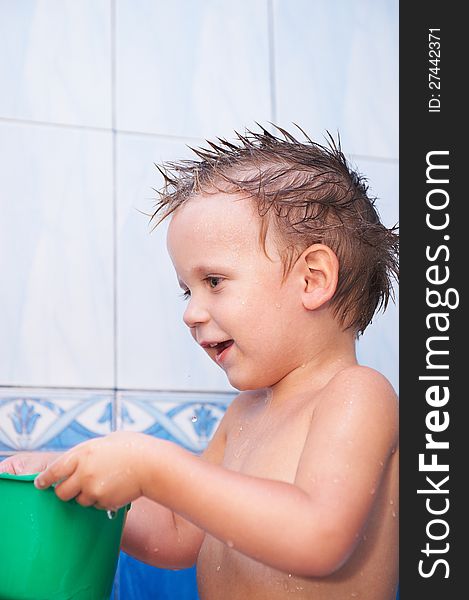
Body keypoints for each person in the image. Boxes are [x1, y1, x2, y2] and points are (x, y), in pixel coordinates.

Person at [0, 125, 399, 600]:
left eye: (213, 281)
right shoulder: (245, 413)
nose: (191, 312)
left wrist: (154, 465)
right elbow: (175, 534)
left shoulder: (357, 394)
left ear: (311, 280)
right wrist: (70, 473)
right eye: (187, 290)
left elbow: (317, 535)